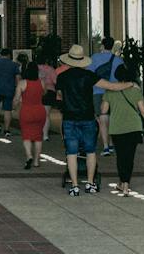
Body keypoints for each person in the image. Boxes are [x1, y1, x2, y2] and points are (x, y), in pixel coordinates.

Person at [101, 61, 144, 196]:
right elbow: (143, 111)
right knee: (129, 156)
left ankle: (122, 183)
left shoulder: (110, 91)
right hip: (134, 127)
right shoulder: (135, 90)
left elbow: (103, 110)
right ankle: (126, 184)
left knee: (121, 156)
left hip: (117, 127)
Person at [55, 45, 101, 196]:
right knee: (90, 151)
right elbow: (109, 86)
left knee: (71, 153)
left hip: (69, 118)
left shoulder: (62, 77)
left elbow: (59, 97)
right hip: (88, 117)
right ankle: (90, 183)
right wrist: (129, 84)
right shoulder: (89, 76)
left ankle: (74, 186)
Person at [88, 36, 118, 155]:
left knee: (102, 119)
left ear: (102, 46)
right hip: (114, 92)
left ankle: (105, 146)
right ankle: (111, 144)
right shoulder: (118, 60)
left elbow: (89, 75)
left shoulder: (94, 58)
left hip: (98, 92)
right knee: (111, 118)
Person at [16, 59, 47, 169]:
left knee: (26, 136)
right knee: (38, 136)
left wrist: (14, 106)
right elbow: (44, 93)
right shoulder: (42, 82)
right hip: (39, 110)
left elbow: (16, 99)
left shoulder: (22, 83)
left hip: (26, 110)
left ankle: (29, 155)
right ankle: (36, 161)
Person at [0, 47, 22, 141]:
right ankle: (7, 129)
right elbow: (18, 78)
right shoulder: (14, 64)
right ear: (9, 55)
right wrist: (18, 89)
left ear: (1, 55)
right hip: (9, 89)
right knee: (7, 110)